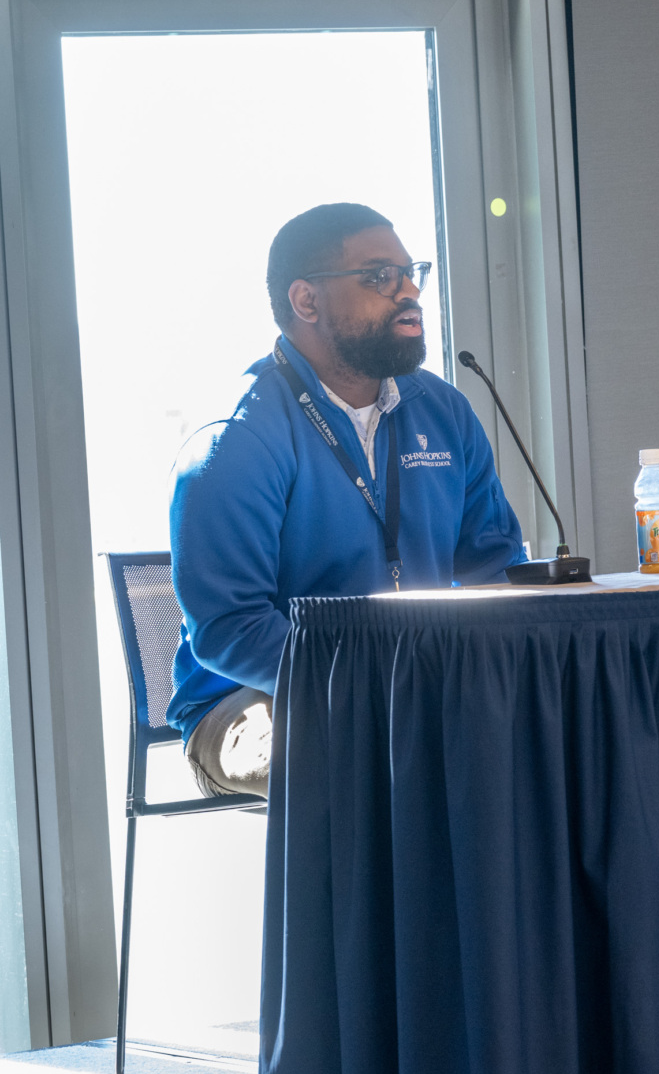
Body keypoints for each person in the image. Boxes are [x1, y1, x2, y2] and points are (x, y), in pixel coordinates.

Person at [167, 203, 525, 797]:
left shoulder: (443, 410)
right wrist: (372, 682)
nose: (409, 290)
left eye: (412, 272)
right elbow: (229, 630)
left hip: (411, 679)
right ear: (306, 302)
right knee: (350, 744)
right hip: (249, 699)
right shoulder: (236, 440)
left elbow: (493, 564)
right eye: (380, 275)